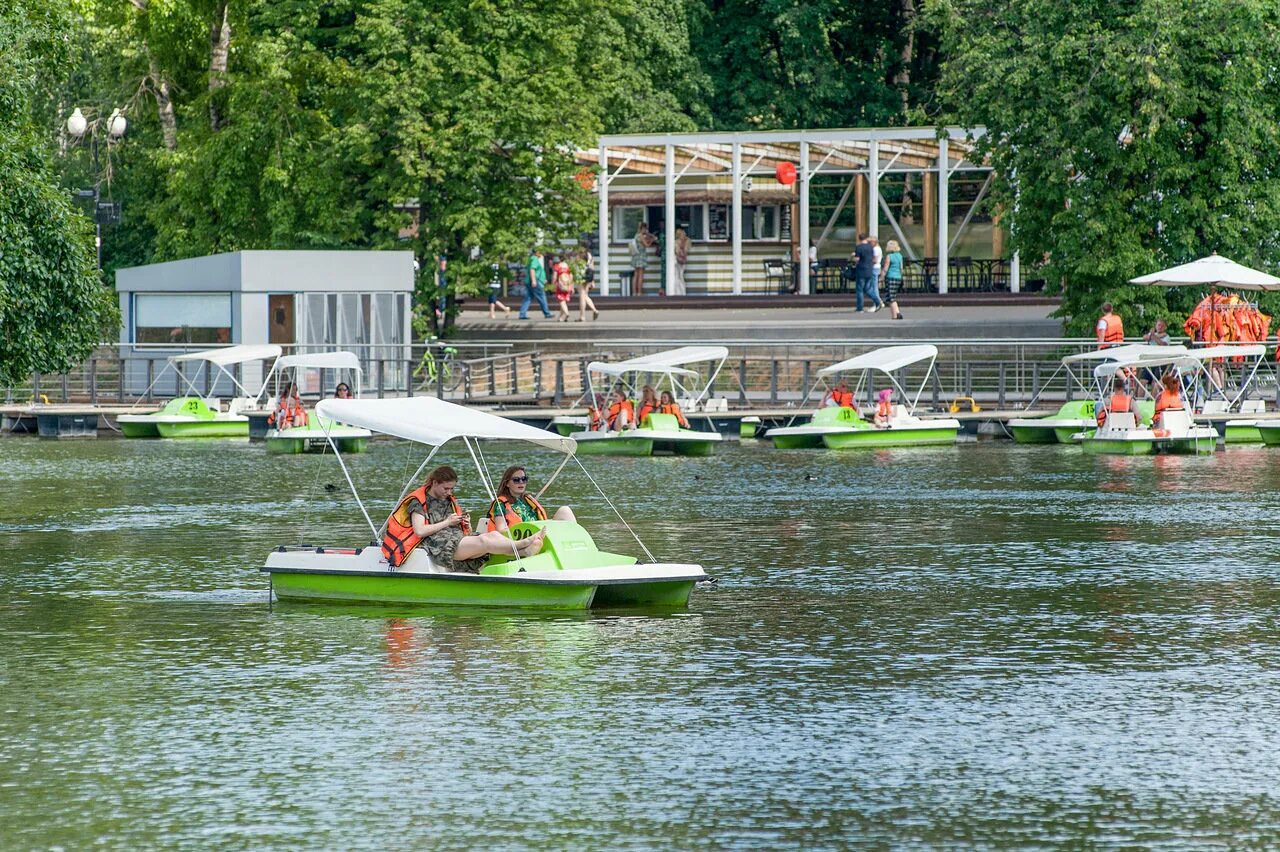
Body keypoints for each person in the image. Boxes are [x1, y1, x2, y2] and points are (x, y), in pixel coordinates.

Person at [381, 465, 546, 571]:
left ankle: (524, 551)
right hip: (440, 546)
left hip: (457, 539)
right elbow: (420, 530)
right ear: (434, 483)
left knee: (493, 535)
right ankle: (522, 545)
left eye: (452, 489)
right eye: (446, 488)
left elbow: (460, 529)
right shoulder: (418, 502)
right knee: (485, 542)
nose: (449, 492)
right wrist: (447, 522)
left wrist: (463, 523)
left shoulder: (448, 500)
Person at [485, 465, 577, 532]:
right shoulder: (500, 504)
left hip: (539, 533)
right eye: (516, 480)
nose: (521, 482)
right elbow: (501, 530)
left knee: (565, 510)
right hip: (521, 539)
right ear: (507, 484)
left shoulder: (528, 500)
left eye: (524, 479)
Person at [520, 247, 553, 320]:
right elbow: (532, 269)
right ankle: (547, 313)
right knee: (541, 296)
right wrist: (534, 280)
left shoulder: (531, 259)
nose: (541, 253)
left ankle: (522, 314)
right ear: (537, 252)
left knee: (528, 298)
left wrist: (542, 278)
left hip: (529, 281)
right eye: (540, 252)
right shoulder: (534, 259)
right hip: (535, 282)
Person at [852, 234, 882, 313]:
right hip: (869, 269)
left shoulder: (859, 247)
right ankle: (877, 301)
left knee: (860, 290)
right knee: (867, 288)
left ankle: (860, 308)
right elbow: (873, 259)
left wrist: (853, 257)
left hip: (861, 270)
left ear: (859, 239)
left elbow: (857, 259)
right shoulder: (871, 247)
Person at [881, 239, 905, 320]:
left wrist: (881, 277)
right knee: (892, 296)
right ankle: (895, 314)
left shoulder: (889, 256)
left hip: (890, 277)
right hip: (898, 277)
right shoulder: (900, 256)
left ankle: (896, 314)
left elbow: (885, 268)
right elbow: (901, 268)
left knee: (891, 297)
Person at [630, 222, 655, 295]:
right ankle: (639, 292)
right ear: (642, 229)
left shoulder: (636, 235)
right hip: (641, 256)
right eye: (645, 228)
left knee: (636, 275)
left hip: (636, 256)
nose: (646, 230)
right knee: (640, 275)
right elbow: (646, 245)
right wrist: (652, 240)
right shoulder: (640, 236)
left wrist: (648, 235)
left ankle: (634, 292)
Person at [578, 249, 599, 321]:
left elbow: (576, 266)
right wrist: (593, 280)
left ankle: (582, 316)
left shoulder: (579, 255)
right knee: (585, 295)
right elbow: (592, 267)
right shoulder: (589, 255)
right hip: (589, 275)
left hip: (581, 275)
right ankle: (594, 310)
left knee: (582, 296)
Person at [552, 257, 575, 322]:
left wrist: (553, 285)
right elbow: (571, 276)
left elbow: (554, 277)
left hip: (560, 286)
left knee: (561, 300)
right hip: (567, 285)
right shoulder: (567, 266)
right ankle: (561, 317)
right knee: (564, 301)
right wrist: (571, 286)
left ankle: (566, 313)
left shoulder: (557, 267)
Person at [671, 227, 690, 296]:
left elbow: (677, 252)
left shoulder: (676, 242)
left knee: (677, 277)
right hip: (683, 261)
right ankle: (682, 292)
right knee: (681, 276)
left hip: (677, 261)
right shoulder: (687, 242)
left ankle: (677, 292)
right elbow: (685, 252)